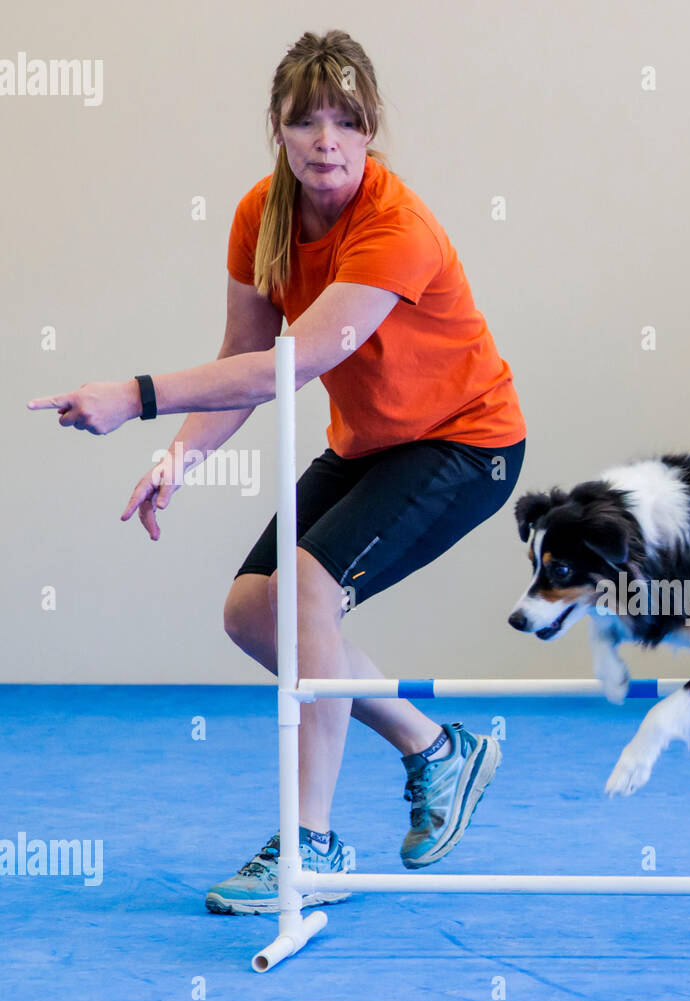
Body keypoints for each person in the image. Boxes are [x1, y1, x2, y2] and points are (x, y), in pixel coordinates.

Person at [26, 30, 525, 914]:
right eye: (306, 122)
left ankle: (315, 846)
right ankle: (437, 750)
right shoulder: (262, 214)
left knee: (301, 591)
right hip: (372, 443)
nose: (325, 141)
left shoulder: (394, 228)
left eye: (346, 122)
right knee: (253, 610)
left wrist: (136, 395)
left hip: (467, 443)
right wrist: (179, 453)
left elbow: (289, 365)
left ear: (372, 132)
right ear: (279, 129)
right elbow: (243, 358)